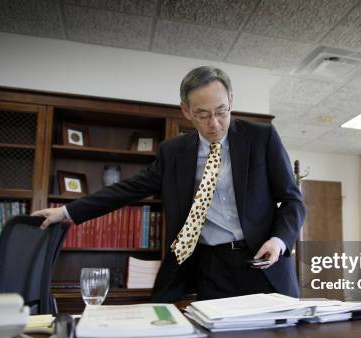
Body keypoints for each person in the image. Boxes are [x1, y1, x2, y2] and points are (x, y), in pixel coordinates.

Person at [32, 66, 305, 302]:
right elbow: (127, 189)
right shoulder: (174, 152)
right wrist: (67, 212)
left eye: (222, 111)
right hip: (211, 267)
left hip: (262, 260)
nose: (215, 123)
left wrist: (279, 240)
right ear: (185, 111)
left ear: (231, 101)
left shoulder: (261, 138)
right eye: (202, 114)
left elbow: (292, 200)